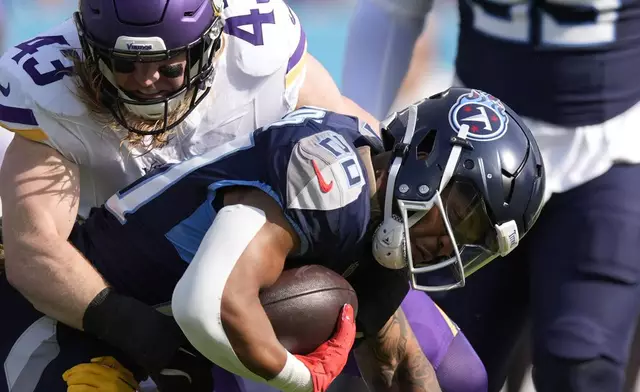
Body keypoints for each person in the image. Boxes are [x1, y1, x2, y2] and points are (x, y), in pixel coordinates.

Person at [1, 88, 545, 391]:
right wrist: (299, 376)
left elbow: (399, 364)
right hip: (72, 322)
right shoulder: (331, 175)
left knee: (462, 381)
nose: (449, 245)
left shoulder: (385, 221)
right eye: (456, 216)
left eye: (471, 240)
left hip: (183, 341)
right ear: (426, 160)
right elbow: (205, 304)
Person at [0, 0, 376, 357]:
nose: (146, 81)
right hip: (114, 286)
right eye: (124, 63)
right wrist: (127, 324)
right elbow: (33, 250)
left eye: (168, 66)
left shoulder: (260, 53)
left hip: (262, 269)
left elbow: (349, 140)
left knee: (416, 337)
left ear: (210, 45)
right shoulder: (51, 92)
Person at [341, 0, 640, 391]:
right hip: (465, 165)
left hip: (610, 151)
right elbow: (393, 9)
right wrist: (356, 138)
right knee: (447, 368)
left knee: (582, 368)